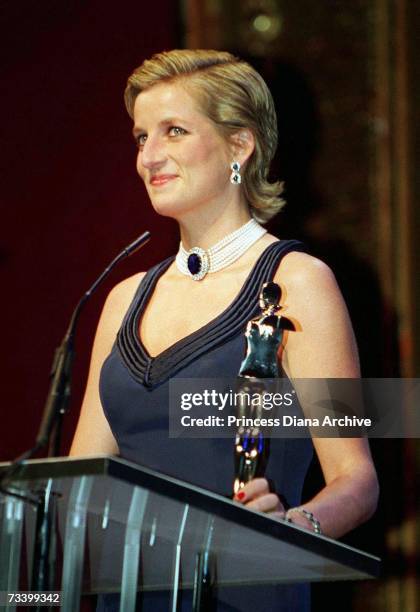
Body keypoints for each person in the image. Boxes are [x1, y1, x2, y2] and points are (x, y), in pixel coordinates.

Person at [70, 49, 379, 611]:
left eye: (174, 131)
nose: (149, 156)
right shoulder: (122, 300)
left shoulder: (298, 283)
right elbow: (77, 489)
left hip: (244, 594)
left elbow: (357, 481)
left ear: (240, 145)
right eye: (141, 137)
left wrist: (291, 524)